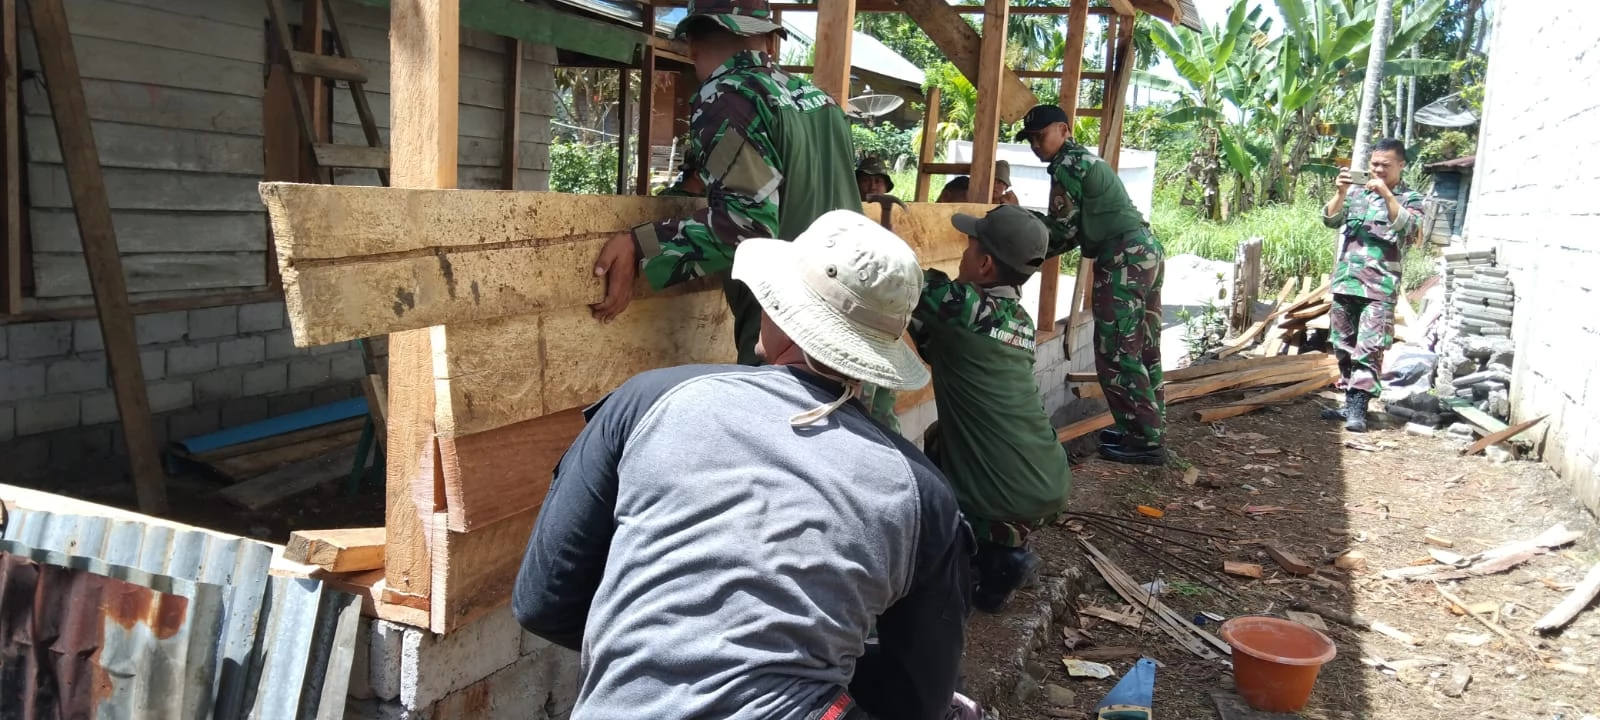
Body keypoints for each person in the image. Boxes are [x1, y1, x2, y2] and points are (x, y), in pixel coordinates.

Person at [513, 210, 973, 720]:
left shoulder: (648, 402)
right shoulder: (921, 494)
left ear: (787, 313)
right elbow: (918, 698)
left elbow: (543, 602)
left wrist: (662, 645)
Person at [912, 204, 1071, 613]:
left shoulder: (962, 307)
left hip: (1010, 493)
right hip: (1047, 477)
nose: (962, 256)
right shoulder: (1017, 318)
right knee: (939, 440)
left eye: (968, 248)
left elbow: (900, 279)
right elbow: (939, 345)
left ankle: (997, 558)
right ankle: (1004, 544)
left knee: (918, 486)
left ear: (984, 265)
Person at [1015, 104, 1167, 466]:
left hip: (1123, 257)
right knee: (1143, 346)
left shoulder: (1067, 165)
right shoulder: (1084, 159)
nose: (1036, 144)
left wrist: (1016, 233)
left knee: (1116, 350)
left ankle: (1144, 442)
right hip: (1144, 249)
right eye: (1030, 139)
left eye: (1041, 136)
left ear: (1064, 130)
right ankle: (1145, 429)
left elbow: (1063, 231)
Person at [1319, 139, 1424, 432]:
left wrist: (1387, 194)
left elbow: (1410, 229)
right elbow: (1330, 219)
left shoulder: (1411, 198)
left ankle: (1358, 410)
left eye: (1385, 165)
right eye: (1374, 164)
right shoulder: (1356, 193)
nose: (1378, 170)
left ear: (1401, 165)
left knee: (1369, 348)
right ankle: (1348, 402)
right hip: (1346, 282)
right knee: (1343, 345)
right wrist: (1340, 192)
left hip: (1379, 287)